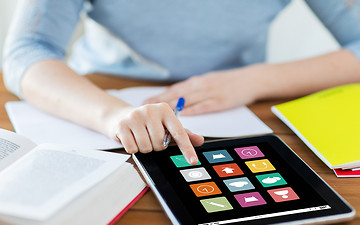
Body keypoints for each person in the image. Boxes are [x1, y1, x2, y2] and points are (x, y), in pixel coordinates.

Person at [3, 0, 360, 165]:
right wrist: (114, 116)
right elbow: (25, 51)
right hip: (95, 98)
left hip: (237, 109)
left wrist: (256, 79)